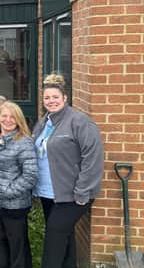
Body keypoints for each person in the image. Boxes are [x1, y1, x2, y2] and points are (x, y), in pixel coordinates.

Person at [33, 74, 103, 268]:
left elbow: (92, 158)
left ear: (65, 98)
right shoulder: (44, 122)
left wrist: (82, 191)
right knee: (65, 236)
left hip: (73, 194)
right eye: (47, 98)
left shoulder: (79, 122)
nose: (51, 101)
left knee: (54, 238)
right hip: (49, 192)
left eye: (55, 97)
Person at [0, 101, 38, 268]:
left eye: (13, 117)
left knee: (17, 244)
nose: (8, 120)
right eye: (4, 116)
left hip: (14, 204)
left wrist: (7, 191)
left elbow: (31, 176)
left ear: (18, 119)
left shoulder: (24, 142)